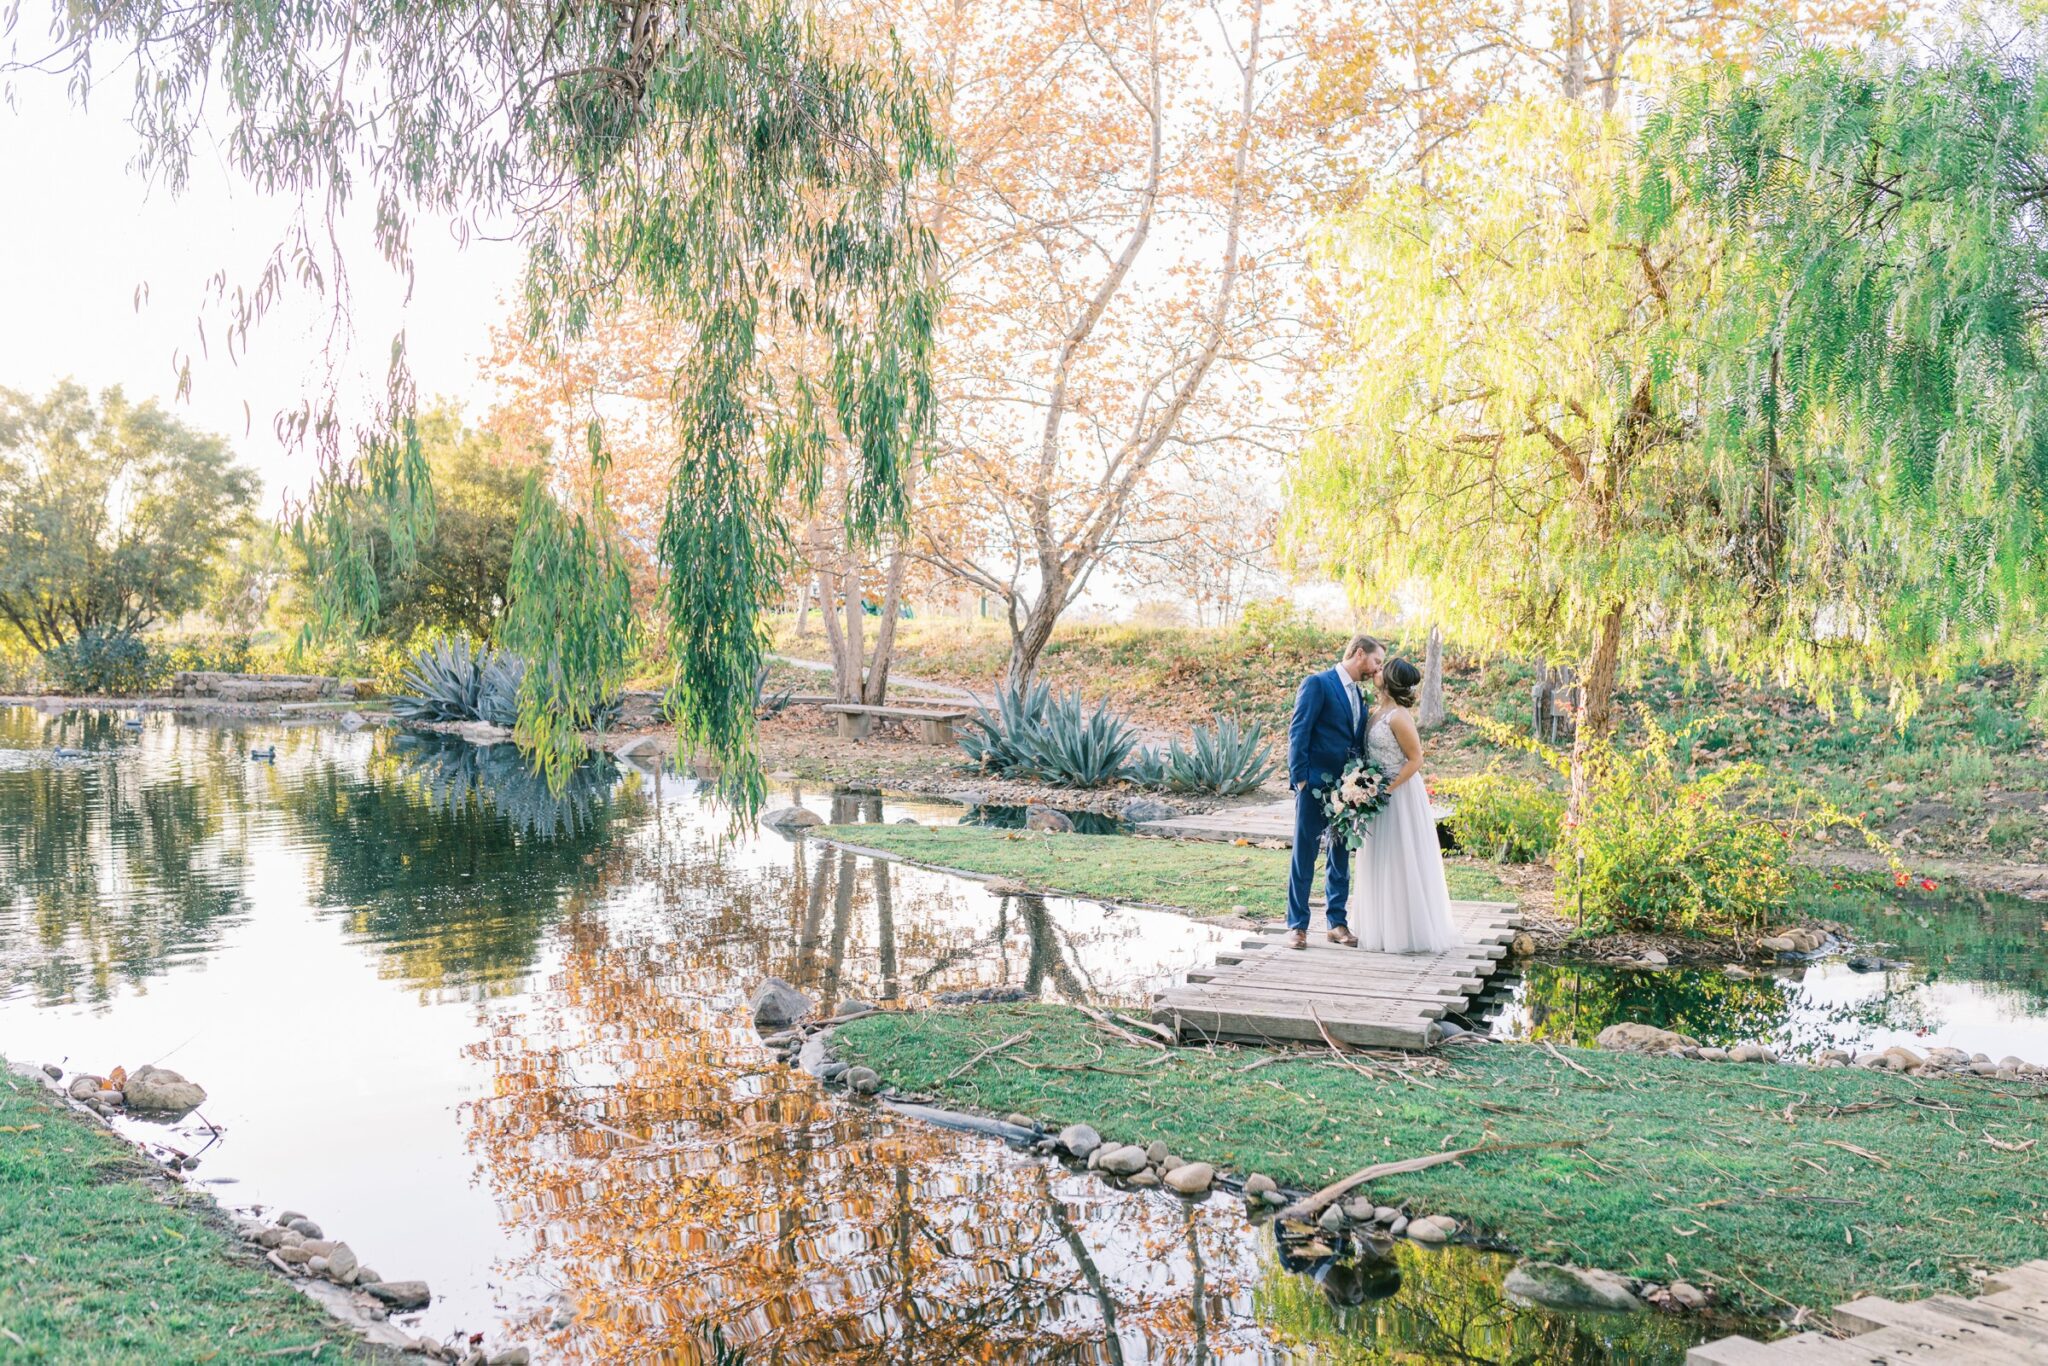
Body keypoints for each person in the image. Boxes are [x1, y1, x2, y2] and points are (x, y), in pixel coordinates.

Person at [1284, 634, 1384, 950]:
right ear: (1359, 653)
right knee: (1305, 854)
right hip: (1314, 785)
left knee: (1340, 854)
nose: (1378, 668)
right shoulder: (1318, 683)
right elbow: (1298, 731)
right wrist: (1300, 780)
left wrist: (1360, 783)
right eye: (1377, 660)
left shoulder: (1360, 696)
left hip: (1348, 789)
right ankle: (1297, 926)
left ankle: (1336, 923)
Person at [1357, 658, 1457, 954]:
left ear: (1388, 681)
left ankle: (1407, 932)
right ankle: (1381, 928)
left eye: (1380, 670)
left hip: (1397, 794)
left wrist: (1386, 788)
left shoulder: (1398, 717)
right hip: (1376, 794)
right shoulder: (1377, 712)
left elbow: (1416, 759)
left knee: (1401, 859)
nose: (1375, 672)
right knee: (1380, 857)